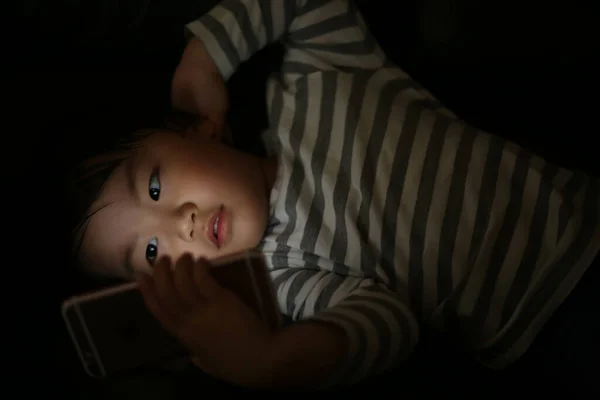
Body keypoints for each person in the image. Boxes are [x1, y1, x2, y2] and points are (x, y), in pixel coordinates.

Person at [71, 0, 600, 391]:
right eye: (151, 253)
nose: (178, 224)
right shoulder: (284, 278)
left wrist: (205, 56)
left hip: (576, 208)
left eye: (156, 186)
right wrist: (270, 359)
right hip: (544, 321)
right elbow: (388, 324)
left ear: (196, 129)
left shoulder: (314, 77)